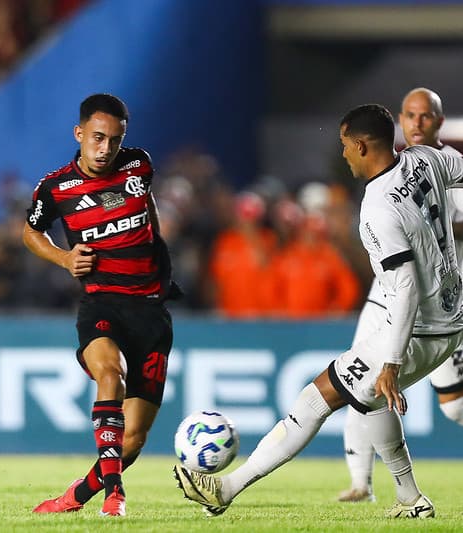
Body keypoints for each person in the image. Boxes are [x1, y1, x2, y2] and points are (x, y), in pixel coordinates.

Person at [174, 103, 463, 519]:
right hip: (450, 318)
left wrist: (391, 361)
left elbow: (404, 289)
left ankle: (225, 488)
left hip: (419, 328)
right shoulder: (425, 159)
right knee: (370, 402)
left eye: (346, 145)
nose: (343, 154)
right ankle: (410, 498)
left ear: (363, 146)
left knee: (315, 399)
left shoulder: (377, 210)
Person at [24, 93, 178, 517]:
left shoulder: (139, 166)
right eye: (97, 137)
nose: (105, 148)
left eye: (114, 139)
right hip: (101, 304)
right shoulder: (55, 188)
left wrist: (160, 263)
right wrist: (64, 257)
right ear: (79, 134)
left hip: (150, 312)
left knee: (133, 440)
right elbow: (30, 233)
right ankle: (115, 495)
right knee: (111, 375)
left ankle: (76, 496)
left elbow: (147, 213)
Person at [338, 88, 463, 503]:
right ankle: (360, 483)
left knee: (454, 406)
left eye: (426, 116)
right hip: (390, 289)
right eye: (410, 115)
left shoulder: (441, 164)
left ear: (440, 122)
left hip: (440, 300)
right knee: (357, 370)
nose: (417, 123)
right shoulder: (394, 171)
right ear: (399, 120)